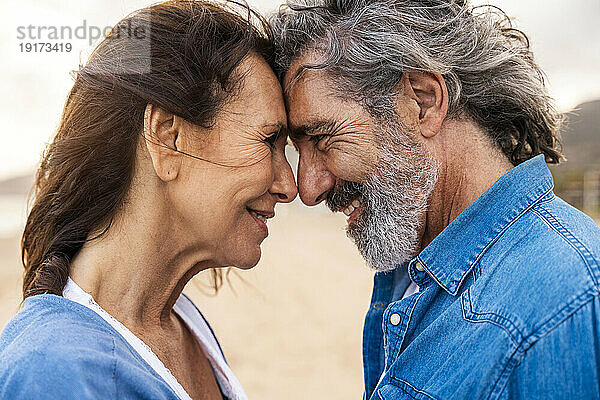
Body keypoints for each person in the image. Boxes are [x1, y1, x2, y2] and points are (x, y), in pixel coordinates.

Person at [271, 0, 600, 398]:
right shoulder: (417, 274)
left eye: (322, 139)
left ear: (423, 102)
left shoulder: (561, 304)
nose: (307, 188)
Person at [0, 1, 297, 399]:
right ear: (168, 136)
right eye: (268, 141)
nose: (289, 184)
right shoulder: (53, 373)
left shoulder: (180, 325)